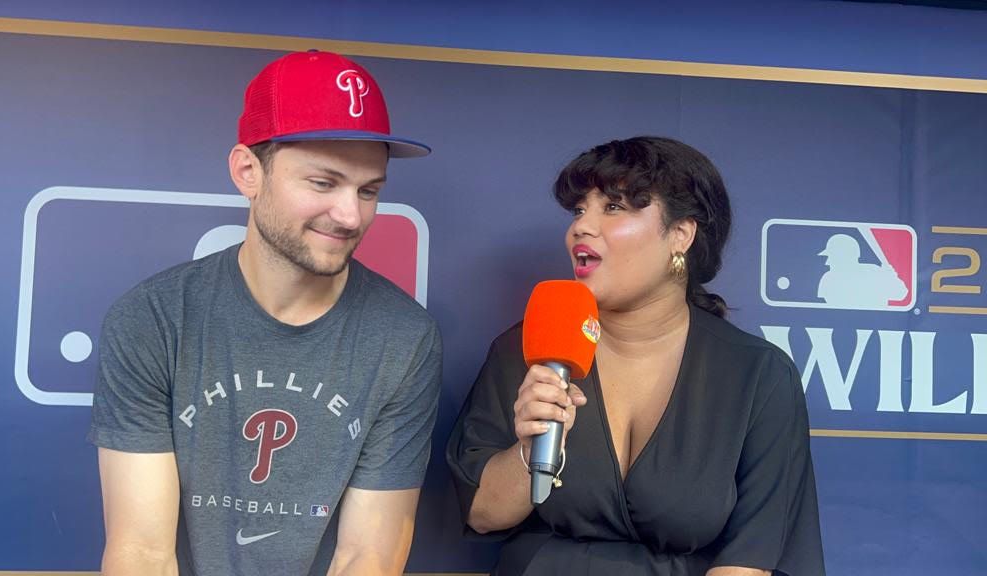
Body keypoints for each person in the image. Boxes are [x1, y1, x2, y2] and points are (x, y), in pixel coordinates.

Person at [89, 51, 442, 576]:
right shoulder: (153, 319)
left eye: (369, 190)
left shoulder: (405, 338)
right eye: (323, 183)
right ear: (248, 171)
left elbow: (368, 555)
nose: (350, 215)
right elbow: (142, 553)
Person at [447, 136, 824, 575]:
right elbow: (482, 512)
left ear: (680, 235)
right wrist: (529, 453)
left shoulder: (759, 375)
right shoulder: (529, 350)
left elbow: (750, 559)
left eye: (612, 208)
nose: (581, 228)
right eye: (578, 211)